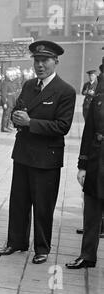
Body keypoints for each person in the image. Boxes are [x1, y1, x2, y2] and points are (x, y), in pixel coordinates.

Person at [0, 40, 76, 264]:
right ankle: (16, 242)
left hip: (46, 157)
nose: (40, 65)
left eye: (45, 61)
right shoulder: (29, 85)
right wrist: (16, 117)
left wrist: (31, 122)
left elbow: (62, 126)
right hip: (23, 153)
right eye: (36, 61)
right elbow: (17, 109)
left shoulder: (65, 91)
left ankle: (42, 247)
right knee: (18, 201)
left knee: (43, 205)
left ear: (55, 62)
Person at [66, 68, 104, 269]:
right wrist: (82, 165)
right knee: (91, 211)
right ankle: (87, 255)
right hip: (97, 159)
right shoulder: (98, 97)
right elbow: (89, 131)